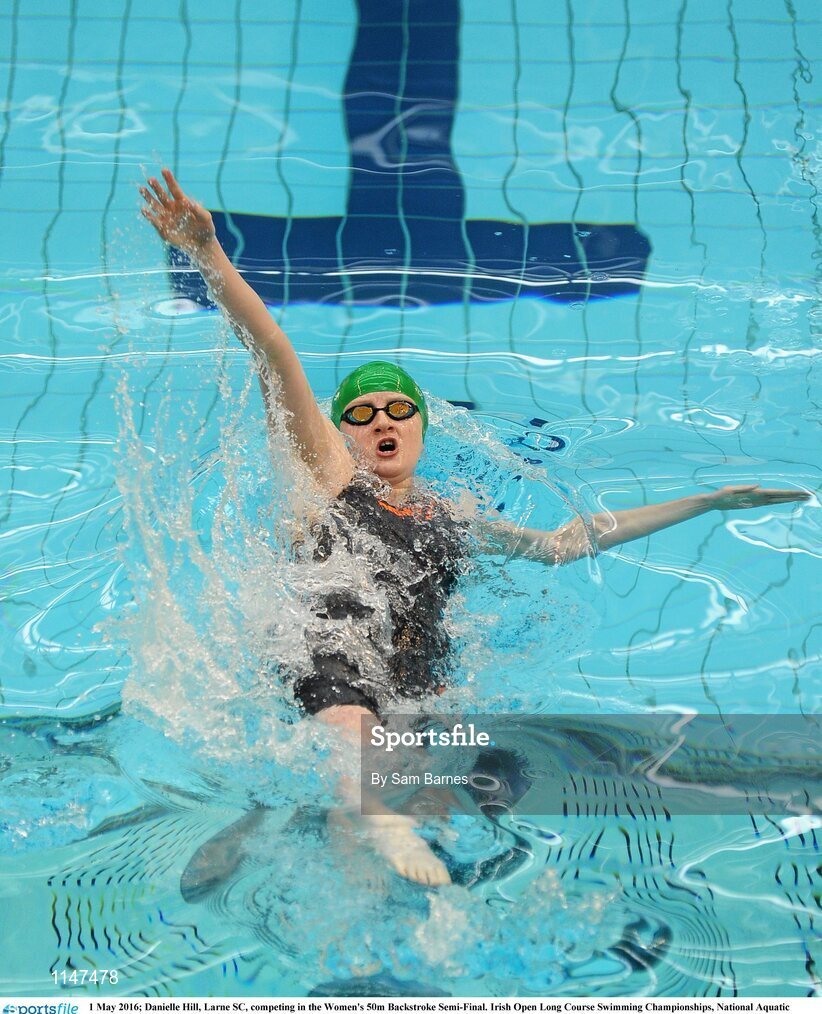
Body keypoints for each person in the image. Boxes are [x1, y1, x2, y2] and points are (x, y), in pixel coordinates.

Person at [140, 169, 811, 887]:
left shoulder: (449, 515)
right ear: (341, 435)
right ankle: (356, 833)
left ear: (421, 430)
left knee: (414, 801)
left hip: (414, 687)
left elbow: (565, 544)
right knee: (357, 765)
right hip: (332, 661)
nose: (381, 422)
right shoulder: (331, 481)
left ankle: (336, 901)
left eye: (398, 410)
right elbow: (273, 347)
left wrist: (704, 503)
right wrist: (207, 255)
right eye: (361, 415)